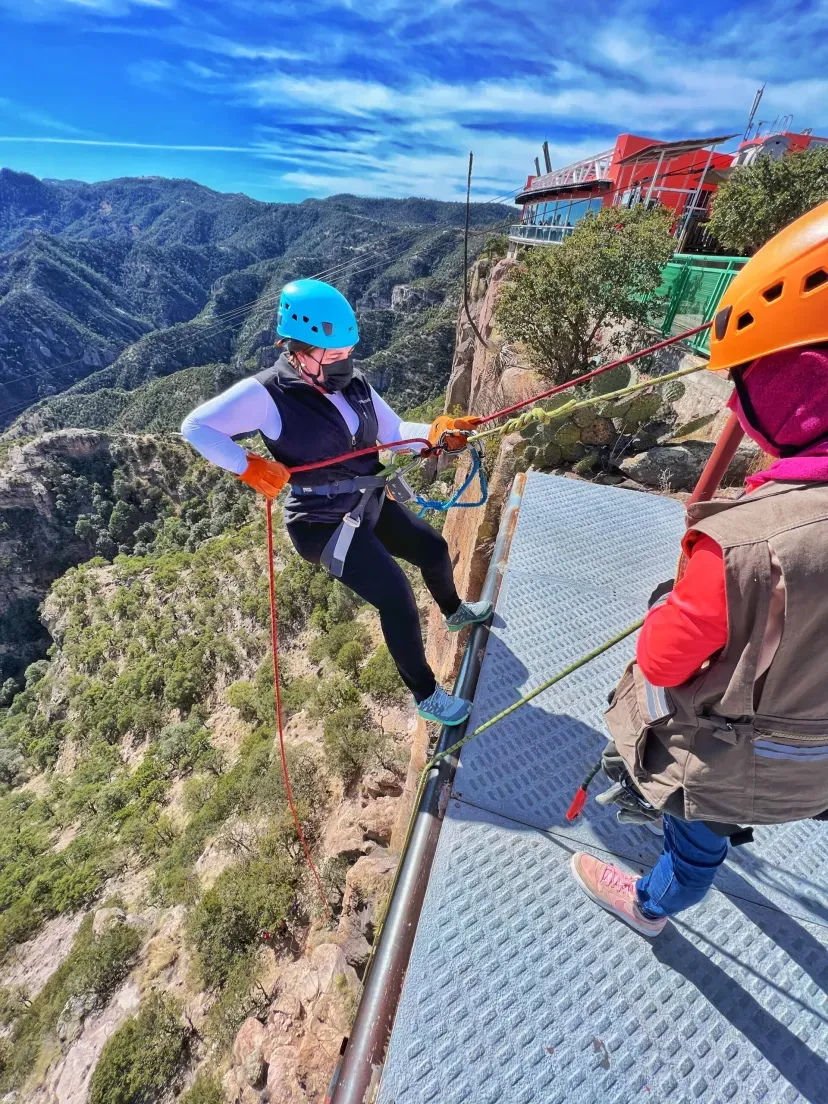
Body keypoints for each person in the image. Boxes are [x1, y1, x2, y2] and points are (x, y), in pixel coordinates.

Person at [569, 201, 828, 936]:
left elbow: (662, 656)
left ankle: (649, 906)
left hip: (749, 763)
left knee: (696, 846)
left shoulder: (745, 544)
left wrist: (674, 597)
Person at [181, 278, 491, 726]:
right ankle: (426, 695)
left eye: (347, 353)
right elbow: (195, 427)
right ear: (298, 349)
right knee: (397, 597)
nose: (344, 363)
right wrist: (245, 464)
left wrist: (435, 432)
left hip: (365, 500)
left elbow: (393, 431)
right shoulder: (267, 394)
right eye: (333, 356)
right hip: (320, 522)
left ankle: (455, 613)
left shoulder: (356, 384)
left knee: (434, 550)